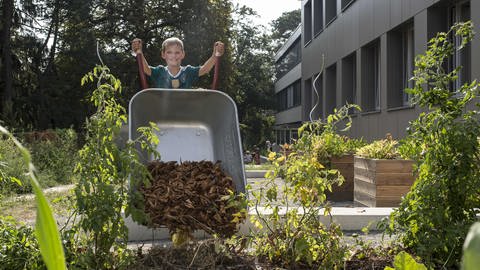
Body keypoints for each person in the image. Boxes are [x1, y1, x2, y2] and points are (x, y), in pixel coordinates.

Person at [131, 37, 224, 89]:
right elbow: (145, 69)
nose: (173, 56)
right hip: (163, 111)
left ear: (183, 54)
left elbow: (205, 69)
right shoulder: (160, 71)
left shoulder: (188, 71)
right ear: (163, 55)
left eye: (177, 52)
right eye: (169, 52)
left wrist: (215, 55)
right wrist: (139, 52)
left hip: (184, 111)